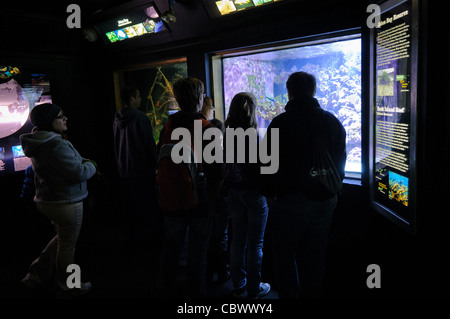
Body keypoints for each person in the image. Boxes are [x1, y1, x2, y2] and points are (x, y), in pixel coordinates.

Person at [262, 71, 347, 298]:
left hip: (289, 202)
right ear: (314, 90)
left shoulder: (280, 123)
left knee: (284, 255)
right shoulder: (332, 121)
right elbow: (340, 161)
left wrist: (270, 193)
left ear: (288, 92)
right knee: (315, 256)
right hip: (324, 201)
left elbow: (268, 163)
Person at [19, 103, 97, 297]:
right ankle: (69, 285)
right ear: (49, 121)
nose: (65, 119)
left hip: (49, 201)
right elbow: (79, 172)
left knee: (61, 240)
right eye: (61, 116)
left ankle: (35, 276)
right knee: (68, 247)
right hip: (66, 202)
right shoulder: (56, 144)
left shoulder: (38, 141)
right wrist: (92, 166)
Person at [156, 78, 223, 298]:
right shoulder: (207, 128)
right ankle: (197, 297)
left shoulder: (168, 126)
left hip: (171, 199)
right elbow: (217, 170)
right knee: (198, 253)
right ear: (199, 98)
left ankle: (165, 289)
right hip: (199, 201)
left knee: (172, 248)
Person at [224, 92, 270, 299]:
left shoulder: (226, 134)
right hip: (253, 194)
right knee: (255, 243)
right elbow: (259, 169)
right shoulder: (253, 136)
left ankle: (238, 286)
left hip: (234, 193)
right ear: (251, 111)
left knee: (237, 241)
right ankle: (254, 288)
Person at [113, 87, 159, 251]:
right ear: (132, 98)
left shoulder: (117, 119)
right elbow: (149, 146)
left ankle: (134, 246)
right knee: (147, 210)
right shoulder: (140, 118)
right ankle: (149, 246)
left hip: (124, 172)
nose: (141, 98)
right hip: (142, 173)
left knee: (131, 211)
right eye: (139, 95)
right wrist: (155, 167)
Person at [201, 96, 231, 285]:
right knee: (221, 235)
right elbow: (220, 175)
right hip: (218, 198)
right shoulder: (219, 153)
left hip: (205, 199)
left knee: (210, 235)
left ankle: (208, 271)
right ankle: (221, 272)